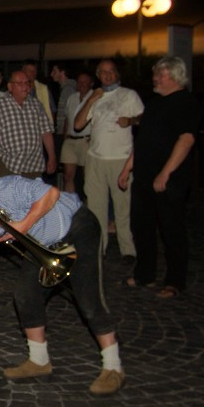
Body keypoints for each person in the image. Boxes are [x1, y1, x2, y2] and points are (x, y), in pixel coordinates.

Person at [0, 175, 125, 396]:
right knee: (25, 296)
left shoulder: (3, 190)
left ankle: (113, 366)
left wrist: (23, 225)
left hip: (76, 227)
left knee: (88, 298)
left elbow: (51, 193)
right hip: (43, 244)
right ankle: (39, 361)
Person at [119, 56, 200, 298]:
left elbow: (186, 140)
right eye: (155, 74)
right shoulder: (153, 104)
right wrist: (127, 168)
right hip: (143, 176)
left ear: (175, 76)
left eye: (160, 75)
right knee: (141, 226)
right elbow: (143, 140)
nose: (155, 78)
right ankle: (145, 274)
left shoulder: (186, 102)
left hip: (170, 178)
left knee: (171, 229)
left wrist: (165, 172)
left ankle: (175, 281)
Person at [73, 59, 143, 270]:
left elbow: (144, 119)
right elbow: (78, 124)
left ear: (117, 73)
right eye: (103, 72)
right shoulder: (97, 96)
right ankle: (99, 248)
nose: (108, 75)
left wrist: (130, 121)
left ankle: (128, 250)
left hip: (120, 158)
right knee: (96, 207)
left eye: (111, 71)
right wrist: (92, 98)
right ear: (98, 76)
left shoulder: (128, 95)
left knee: (123, 205)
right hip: (96, 158)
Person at [0, 70, 56, 180]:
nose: (25, 86)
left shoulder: (36, 105)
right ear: (10, 86)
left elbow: (46, 132)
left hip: (34, 166)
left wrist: (52, 156)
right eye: (20, 83)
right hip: (9, 166)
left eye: (27, 83)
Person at [59, 71, 93, 195]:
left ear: (91, 83)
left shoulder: (95, 97)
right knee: (67, 176)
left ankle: (88, 204)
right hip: (70, 140)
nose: (82, 84)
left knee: (88, 177)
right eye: (80, 82)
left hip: (86, 140)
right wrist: (64, 138)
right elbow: (67, 119)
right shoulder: (72, 98)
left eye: (85, 82)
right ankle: (70, 204)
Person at [22, 59, 55, 125]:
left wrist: (50, 127)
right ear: (23, 72)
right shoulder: (18, 89)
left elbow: (51, 111)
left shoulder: (44, 89)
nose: (32, 73)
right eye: (29, 71)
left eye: (34, 71)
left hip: (43, 128)